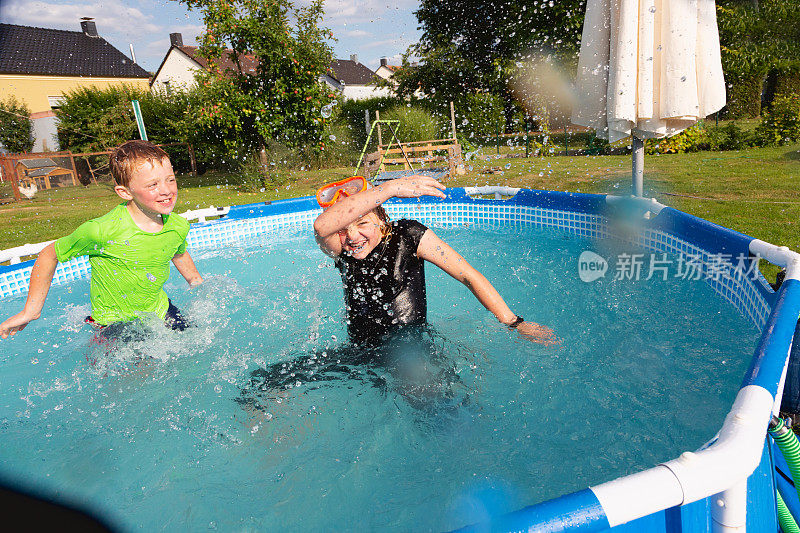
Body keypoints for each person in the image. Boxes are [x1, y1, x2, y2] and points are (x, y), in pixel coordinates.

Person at [313, 174, 557, 346]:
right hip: (362, 350)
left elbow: (467, 275)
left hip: (408, 345)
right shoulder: (342, 249)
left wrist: (515, 323)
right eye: (343, 228)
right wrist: (389, 189)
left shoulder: (409, 235)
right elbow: (322, 225)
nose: (353, 236)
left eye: (363, 223)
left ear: (381, 219)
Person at [0, 140, 203, 340]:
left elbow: (178, 250)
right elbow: (49, 255)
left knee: (196, 342)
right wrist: (31, 311)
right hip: (114, 322)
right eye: (153, 185)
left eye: (170, 179)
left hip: (160, 309)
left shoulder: (177, 226)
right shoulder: (101, 231)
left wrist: (195, 280)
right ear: (125, 192)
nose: (166, 190)